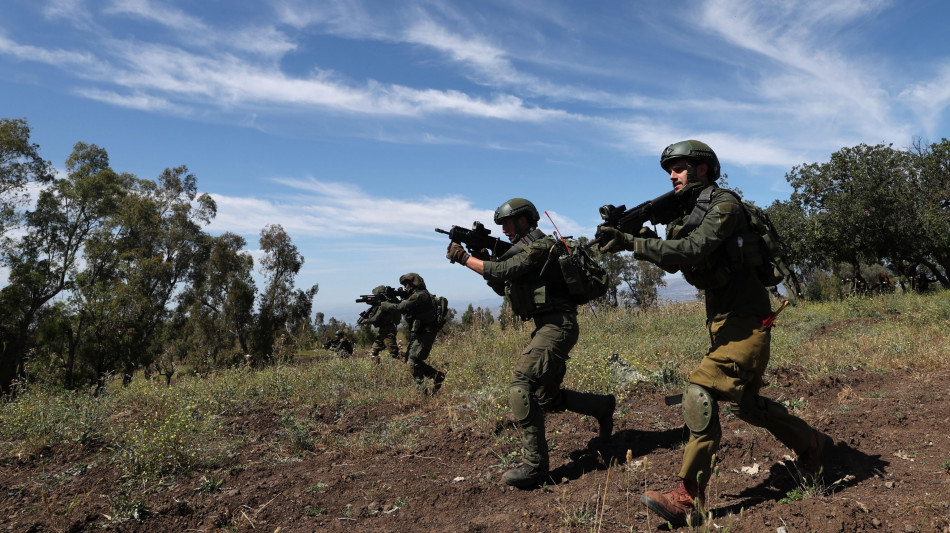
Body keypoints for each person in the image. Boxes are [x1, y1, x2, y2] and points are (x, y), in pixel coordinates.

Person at [597, 140, 831, 525]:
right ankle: (812, 444)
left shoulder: (724, 205)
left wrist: (631, 241)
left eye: (678, 167)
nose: (671, 175)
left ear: (702, 169)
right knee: (747, 405)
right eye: (669, 170)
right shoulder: (689, 212)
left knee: (699, 392)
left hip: (747, 320)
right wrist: (638, 235)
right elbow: (675, 259)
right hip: (723, 324)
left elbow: (691, 249)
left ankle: (688, 497)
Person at [446, 198, 616, 489]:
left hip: (558, 325)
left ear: (523, 220)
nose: (504, 230)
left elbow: (501, 271)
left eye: (507, 223)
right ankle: (602, 406)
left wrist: (464, 258)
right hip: (547, 326)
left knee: (522, 384)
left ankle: (535, 467)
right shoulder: (523, 251)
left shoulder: (541, 246)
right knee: (547, 397)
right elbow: (501, 283)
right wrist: (482, 255)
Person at [379, 273, 445, 393]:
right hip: (420, 332)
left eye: (407, 285)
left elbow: (401, 307)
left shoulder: (421, 295)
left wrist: (385, 305)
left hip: (426, 333)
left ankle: (422, 391)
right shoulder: (417, 295)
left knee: (412, 362)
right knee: (409, 359)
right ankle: (436, 376)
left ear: (414, 284)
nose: (405, 288)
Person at [364, 285, 402, 363]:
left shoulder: (384, 305)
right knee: (374, 351)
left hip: (388, 331)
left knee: (394, 353)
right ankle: (376, 368)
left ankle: (406, 364)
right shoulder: (384, 304)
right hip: (383, 331)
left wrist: (365, 321)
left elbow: (375, 319)